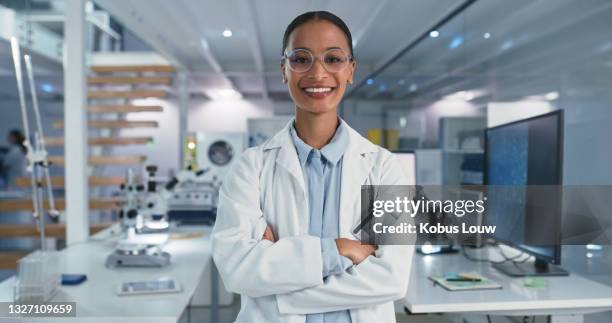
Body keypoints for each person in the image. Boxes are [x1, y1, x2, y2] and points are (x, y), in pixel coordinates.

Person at [212, 11, 414, 323]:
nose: (318, 73)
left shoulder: (384, 167)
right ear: (284, 69)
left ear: (350, 70)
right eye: (301, 59)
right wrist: (338, 250)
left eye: (333, 59)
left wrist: (278, 281)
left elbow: (392, 278)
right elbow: (236, 270)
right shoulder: (250, 168)